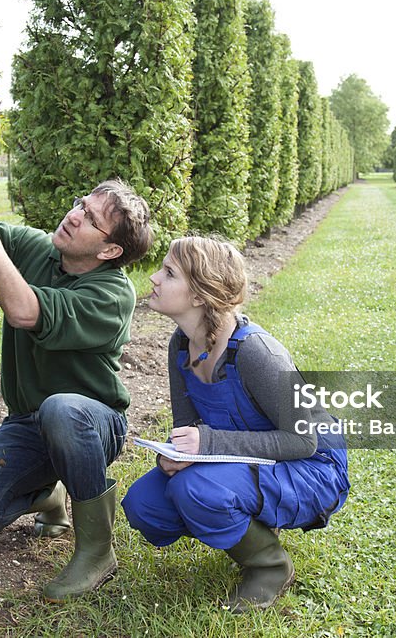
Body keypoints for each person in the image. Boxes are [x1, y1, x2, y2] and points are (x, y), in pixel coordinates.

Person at [0, 152, 153, 602]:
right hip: (28, 422)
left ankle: (97, 551)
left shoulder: (113, 295)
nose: (74, 215)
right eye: (80, 204)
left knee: (62, 408)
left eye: (90, 218)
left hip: (93, 424)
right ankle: (46, 494)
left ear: (110, 249)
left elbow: (23, 311)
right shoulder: (41, 248)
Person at [121, 236, 350, 612]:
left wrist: (206, 446)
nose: (154, 278)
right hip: (252, 462)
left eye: (169, 273)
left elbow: (302, 441)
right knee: (145, 505)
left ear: (199, 295)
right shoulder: (181, 345)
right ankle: (248, 521)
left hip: (311, 467)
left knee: (197, 490)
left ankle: (270, 566)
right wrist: (176, 453)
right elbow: (189, 425)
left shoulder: (257, 353)